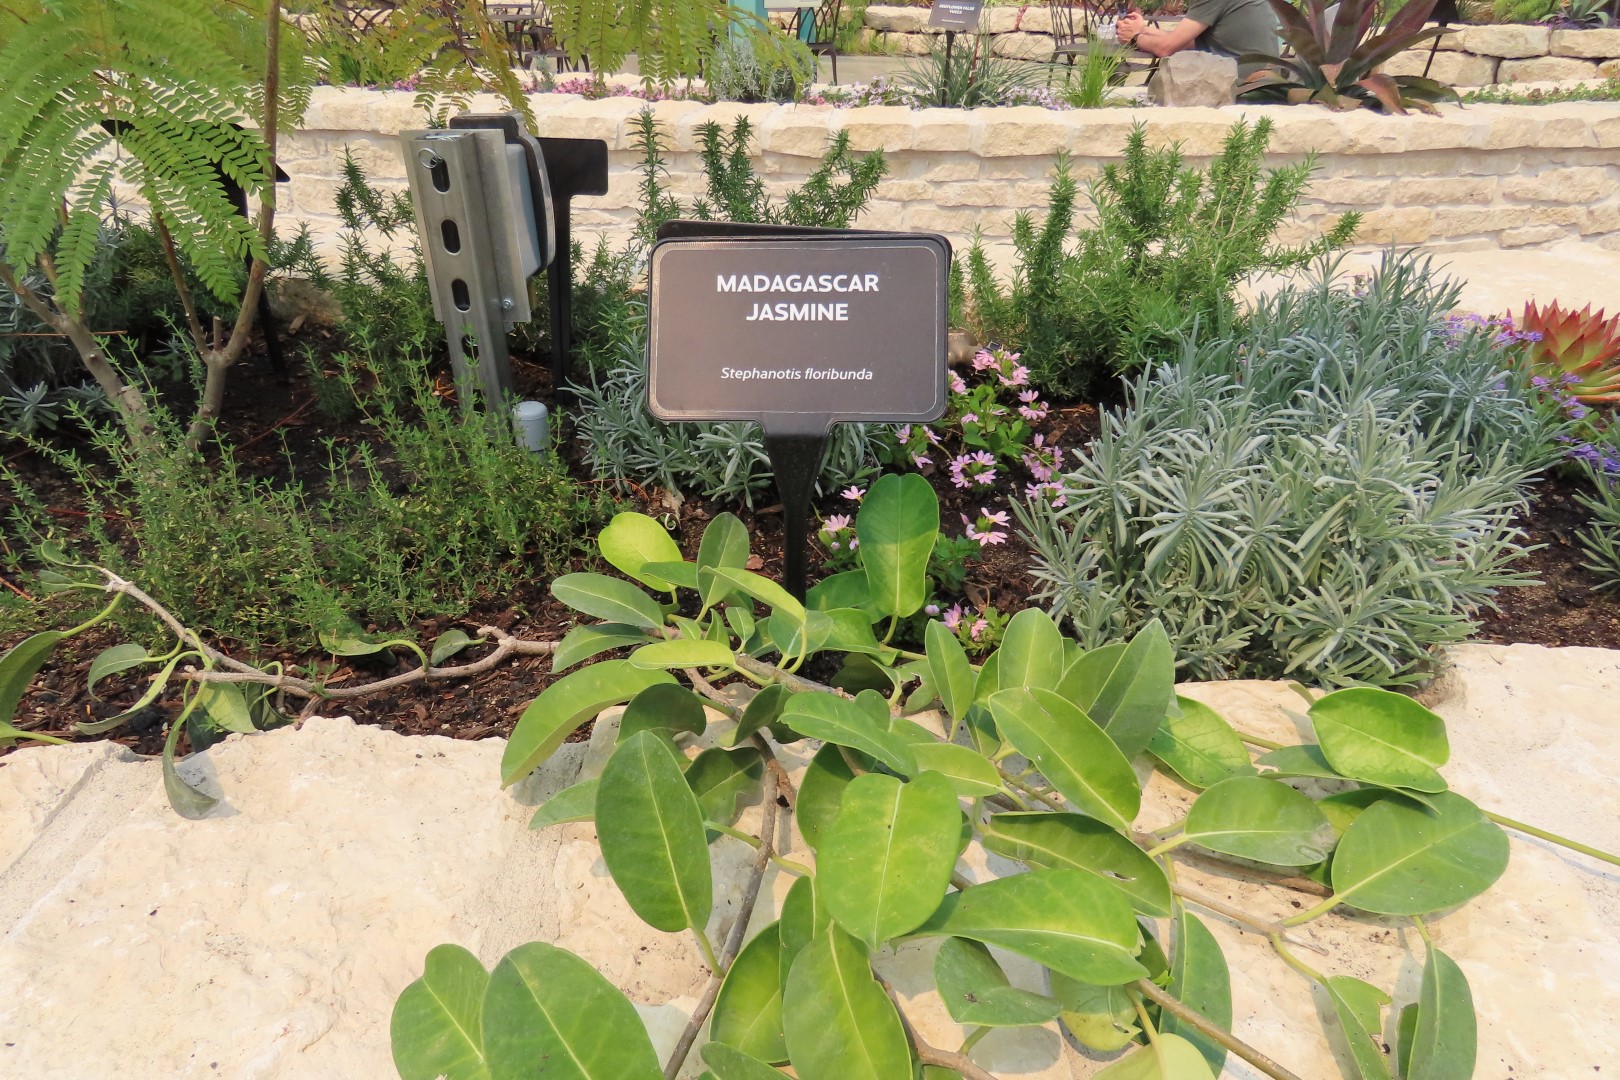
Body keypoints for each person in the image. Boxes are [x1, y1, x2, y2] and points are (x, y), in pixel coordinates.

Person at [1115, 0, 1280, 77]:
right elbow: (1184, 41)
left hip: (1245, 87)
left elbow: (1166, 48)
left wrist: (1134, 38)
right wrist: (1143, 30)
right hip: (1268, 82)